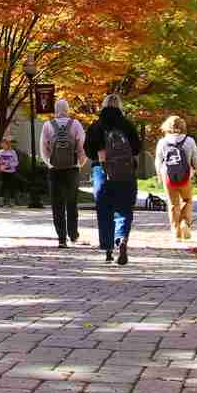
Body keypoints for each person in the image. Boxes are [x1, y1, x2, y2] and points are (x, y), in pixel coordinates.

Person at [83, 94, 141, 265]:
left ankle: (108, 249)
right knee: (124, 209)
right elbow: (137, 148)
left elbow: (88, 150)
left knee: (104, 210)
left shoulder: (96, 126)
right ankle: (121, 238)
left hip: (102, 171)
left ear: (103, 105)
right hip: (126, 172)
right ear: (120, 106)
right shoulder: (127, 125)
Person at [39, 99, 86, 247]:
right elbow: (82, 147)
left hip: (55, 170)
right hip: (72, 168)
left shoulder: (48, 125)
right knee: (72, 202)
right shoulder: (76, 124)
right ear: (68, 109)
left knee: (57, 203)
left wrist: (49, 164)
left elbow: (43, 148)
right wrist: (80, 163)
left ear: (55, 109)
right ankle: (73, 235)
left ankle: (61, 238)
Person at [155, 116, 197, 241]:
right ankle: (185, 223)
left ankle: (175, 231)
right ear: (182, 126)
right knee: (187, 200)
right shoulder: (189, 141)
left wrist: (159, 177)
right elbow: (196, 162)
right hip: (186, 177)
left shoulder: (162, 142)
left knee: (173, 205)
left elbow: (158, 162)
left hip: (168, 177)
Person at [0, 139, 21, 207]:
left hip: (11, 172)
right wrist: (1, 163)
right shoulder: (0, 152)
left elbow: (16, 162)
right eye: (2, 144)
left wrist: (10, 164)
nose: (2, 145)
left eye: (4, 144)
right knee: (2, 186)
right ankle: (1, 202)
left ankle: (11, 202)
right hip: (3, 171)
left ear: (7, 144)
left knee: (11, 186)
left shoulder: (13, 152)